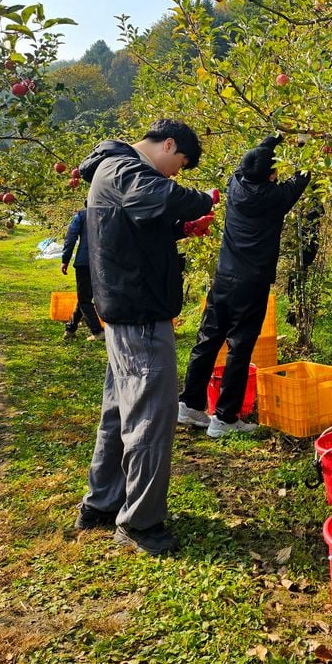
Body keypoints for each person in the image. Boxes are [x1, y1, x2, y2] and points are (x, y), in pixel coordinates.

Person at [74, 119, 215, 556]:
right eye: (180, 163)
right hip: (138, 313)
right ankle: (139, 523)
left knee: (119, 412)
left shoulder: (115, 170)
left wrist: (178, 229)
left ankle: (102, 502)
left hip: (125, 307)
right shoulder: (123, 169)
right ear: (167, 144)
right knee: (151, 418)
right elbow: (164, 195)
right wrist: (201, 200)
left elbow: (134, 225)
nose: (176, 173)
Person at [178, 134, 310, 438]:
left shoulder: (235, 184)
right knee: (240, 347)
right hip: (253, 282)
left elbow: (251, 163)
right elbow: (303, 175)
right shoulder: (275, 199)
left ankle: (190, 404)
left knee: (208, 339)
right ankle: (224, 418)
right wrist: (302, 144)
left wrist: (273, 138)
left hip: (224, 276)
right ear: (273, 175)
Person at [61, 204, 104, 341]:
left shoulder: (81, 215)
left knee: (84, 298)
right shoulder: (109, 215)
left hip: (84, 262)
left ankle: (97, 332)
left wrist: (65, 259)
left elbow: (70, 237)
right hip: (103, 261)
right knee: (85, 296)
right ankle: (70, 329)